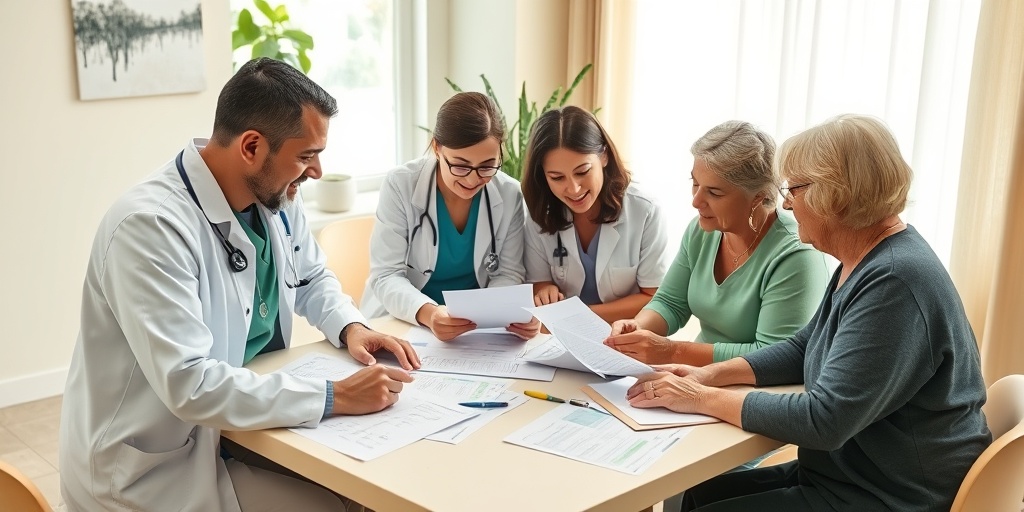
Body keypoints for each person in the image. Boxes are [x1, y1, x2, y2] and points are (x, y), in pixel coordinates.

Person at [59, 58, 421, 512]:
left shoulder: (276, 194)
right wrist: (335, 396)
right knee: (337, 506)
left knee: (360, 487)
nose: (316, 171)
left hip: (231, 429)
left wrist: (352, 327)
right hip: (146, 470)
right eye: (306, 155)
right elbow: (190, 383)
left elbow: (310, 276)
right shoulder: (149, 227)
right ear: (251, 146)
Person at [628, 115, 991, 511]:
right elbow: (805, 346)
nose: (785, 202)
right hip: (848, 473)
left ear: (836, 194)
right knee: (698, 494)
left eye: (794, 189)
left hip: (893, 494)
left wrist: (701, 397)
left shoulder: (894, 281)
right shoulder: (866, 259)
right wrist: (709, 374)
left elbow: (824, 419)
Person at [605, 121, 829, 366]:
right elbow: (670, 303)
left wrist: (672, 352)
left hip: (755, 384)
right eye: (695, 183)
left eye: (714, 192)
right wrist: (637, 327)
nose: (696, 201)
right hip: (695, 375)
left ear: (759, 197)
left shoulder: (796, 256)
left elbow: (773, 356)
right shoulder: (702, 231)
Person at [361, 92, 540, 341]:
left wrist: (503, 313)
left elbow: (508, 273)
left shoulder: (509, 194)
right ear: (437, 148)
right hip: (406, 320)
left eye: (487, 166)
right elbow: (386, 275)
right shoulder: (401, 184)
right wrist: (430, 314)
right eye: (461, 165)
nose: (473, 179)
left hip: (475, 328)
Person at [520, 106, 668, 323]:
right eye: (557, 178)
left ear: (604, 156)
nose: (574, 189)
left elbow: (653, 297)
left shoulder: (644, 211)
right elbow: (538, 280)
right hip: (560, 335)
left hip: (624, 333)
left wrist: (579, 316)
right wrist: (545, 290)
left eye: (582, 171)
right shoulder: (539, 214)